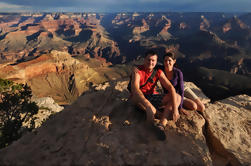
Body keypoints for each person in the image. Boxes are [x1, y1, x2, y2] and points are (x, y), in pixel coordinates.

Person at [130, 50, 180, 139]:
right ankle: (148, 130)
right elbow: (135, 89)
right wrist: (148, 105)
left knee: (177, 97)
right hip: (138, 98)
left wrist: (176, 110)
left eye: (153, 60)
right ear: (144, 60)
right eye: (148, 60)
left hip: (152, 96)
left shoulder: (158, 72)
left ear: (156, 62)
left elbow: (171, 88)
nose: (151, 62)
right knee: (151, 111)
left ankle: (161, 124)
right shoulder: (137, 71)